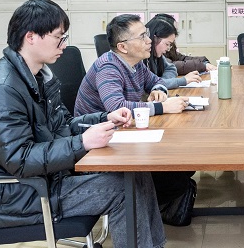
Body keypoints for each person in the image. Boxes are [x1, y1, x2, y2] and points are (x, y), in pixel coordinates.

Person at [0, 0, 165, 247]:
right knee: (123, 189)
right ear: (30, 37)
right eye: (58, 37)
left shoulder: (38, 77)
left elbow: (64, 124)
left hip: (48, 179)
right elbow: (19, 160)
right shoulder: (2, 90)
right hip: (19, 197)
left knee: (137, 174)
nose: (64, 45)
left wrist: (104, 117)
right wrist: (82, 142)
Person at [74, 14, 197, 227]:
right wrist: (163, 107)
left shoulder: (136, 64)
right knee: (175, 176)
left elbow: (157, 81)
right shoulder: (108, 67)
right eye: (142, 37)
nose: (149, 40)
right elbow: (117, 107)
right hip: (99, 146)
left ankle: (155, 206)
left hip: (123, 134)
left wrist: (158, 90)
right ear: (123, 47)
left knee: (181, 166)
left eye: (146, 35)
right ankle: (149, 209)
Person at [145, 15, 202, 87]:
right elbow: (151, 84)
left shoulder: (157, 55)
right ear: (155, 39)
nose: (168, 49)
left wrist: (163, 81)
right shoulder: (141, 58)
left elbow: (171, 68)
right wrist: (182, 81)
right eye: (167, 44)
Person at [153, 13, 217, 74]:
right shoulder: (154, 47)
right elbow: (170, 65)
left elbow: (180, 57)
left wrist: (203, 61)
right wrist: (201, 65)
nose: (175, 32)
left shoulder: (168, 43)